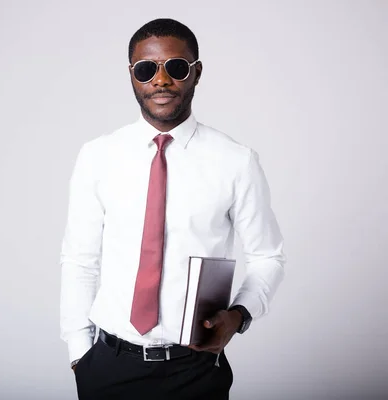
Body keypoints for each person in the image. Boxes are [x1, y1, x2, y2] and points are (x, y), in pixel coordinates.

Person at [59, 18, 286, 400]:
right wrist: (80, 354)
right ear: (132, 76)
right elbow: (79, 259)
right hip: (109, 364)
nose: (161, 80)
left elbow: (268, 256)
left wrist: (239, 315)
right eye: (147, 69)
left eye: (176, 68)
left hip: (195, 368)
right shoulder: (98, 156)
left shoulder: (235, 161)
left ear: (196, 73)